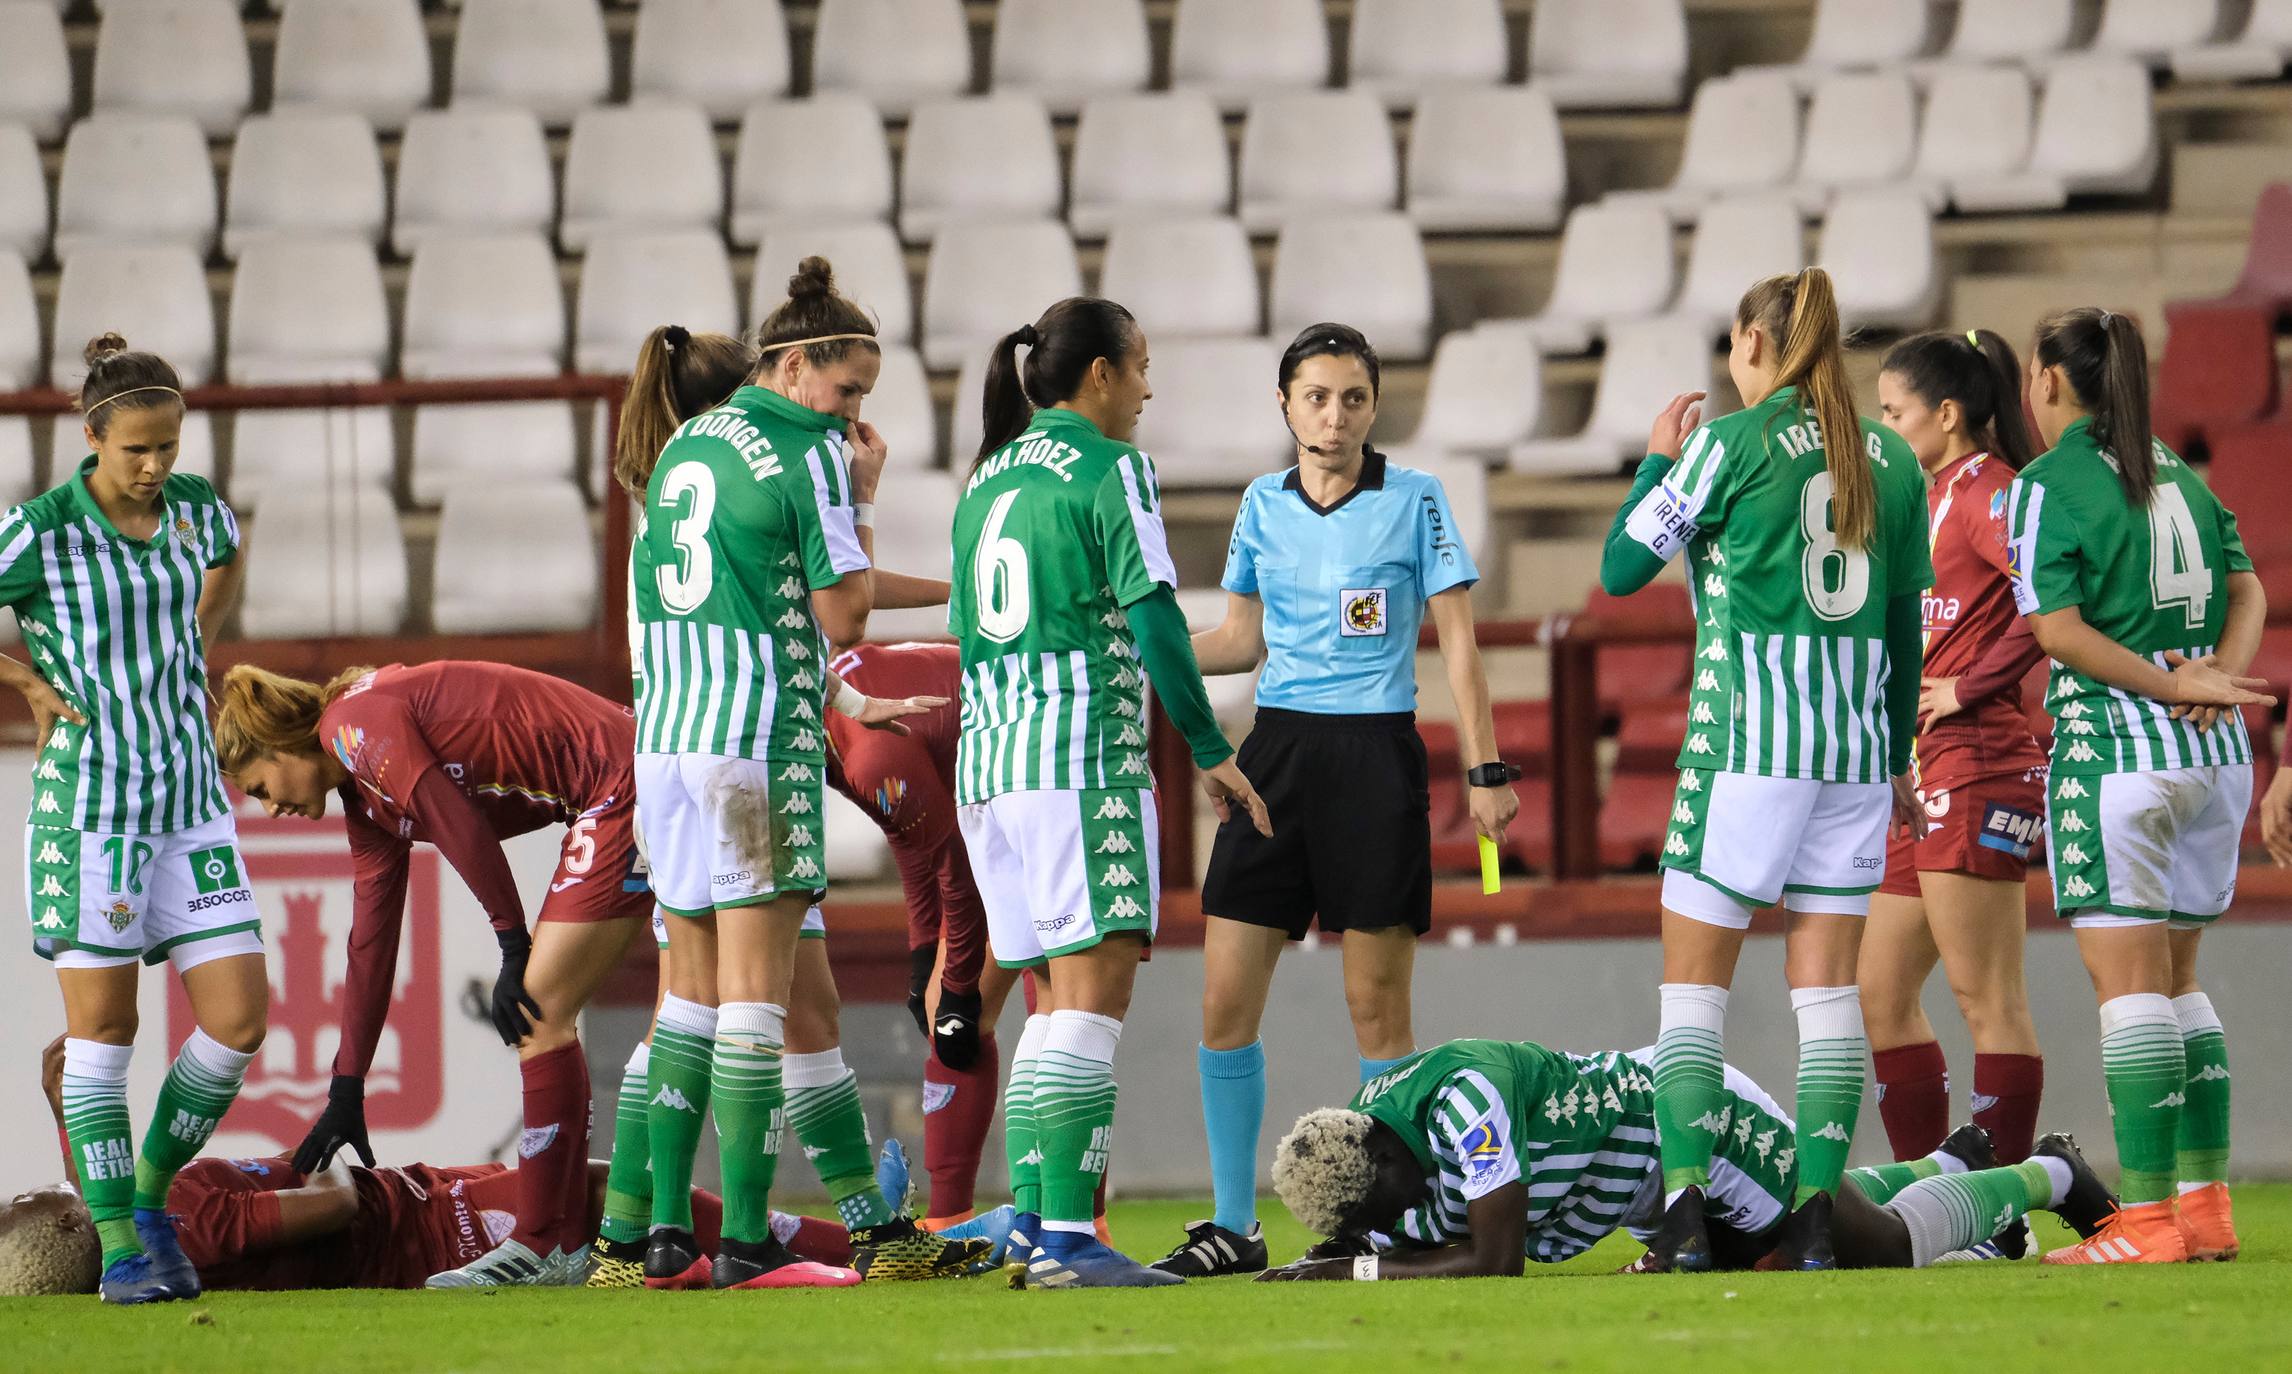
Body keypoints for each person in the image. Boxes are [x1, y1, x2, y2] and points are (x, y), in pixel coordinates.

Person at [629, 259, 984, 1289]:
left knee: (699, 1000)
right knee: (754, 1001)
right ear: (791, 365)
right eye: (847, 389)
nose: (854, 413)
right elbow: (844, 612)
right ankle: (744, 1237)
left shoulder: (688, 441)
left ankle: (662, 1234)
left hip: (671, 746)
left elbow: (754, 588)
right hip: (754, 746)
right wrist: (865, 498)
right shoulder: (812, 455)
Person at [1162, 324, 1519, 1278]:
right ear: (1286, 404)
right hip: (1273, 756)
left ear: (1373, 406)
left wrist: (1485, 772)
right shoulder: (1260, 505)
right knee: (1225, 1000)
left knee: (1377, 1014)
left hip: (1375, 761)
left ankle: (1373, 1227)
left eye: (1352, 397)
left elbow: (1461, 649)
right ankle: (1234, 1227)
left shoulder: (1417, 501)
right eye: (1316, 396)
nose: (1334, 414)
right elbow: (1239, 640)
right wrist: (1140, 644)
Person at [1597, 269, 1932, 1272]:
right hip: (1855, 759)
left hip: (1746, 749)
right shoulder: (1892, 457)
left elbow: (1620, 571)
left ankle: (1690, 1217)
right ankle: (1816, 1220)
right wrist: (1898, 751)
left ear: (1751, 342)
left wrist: (1658, 464)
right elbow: (1905, 627)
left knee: (1694, 995)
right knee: (1827, 993)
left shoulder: (1727, 445)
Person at [950, 295, 1271, 1288]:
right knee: (1093, 994)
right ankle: (1072, 1246)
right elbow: (1155, 616)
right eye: (1139, 367)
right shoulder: (1110, 468)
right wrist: (1210, 745)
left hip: (990, 763)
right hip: (1075, 758)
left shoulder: (986, 476)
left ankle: (1046, 1233)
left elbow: (968, 628)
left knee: (1055, 1003)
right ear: (1098, 375)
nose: (1146, 387)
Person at [215, 659, 683, 1287]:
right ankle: (565, 1243)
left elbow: (453, 818)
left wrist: (512, 945)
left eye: (263, 787)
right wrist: (346, 1088)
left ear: (279, 745)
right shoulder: (365, 800)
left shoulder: (350, 725)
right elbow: (371, 944)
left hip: (620, 782)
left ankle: (545, 1246)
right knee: (552, 1018)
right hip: (621, 779)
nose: (270, 809)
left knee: (539, 1011)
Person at [2005, 307, 2273, 1264]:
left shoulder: (2046, 485)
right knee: (2181, 982)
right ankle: (2205, 1208)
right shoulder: (2173, 471)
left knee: (2128, 996)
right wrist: (2215, 683)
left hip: (2119, 756)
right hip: (2213, 760)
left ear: (2044, 381)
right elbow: (2249, 589)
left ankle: (2149, 1221)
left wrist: (2171, 683)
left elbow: (2057, 632)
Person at [0, 334, 264, 1304]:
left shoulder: (194, 510)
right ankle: (118, 1246)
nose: (155, 469)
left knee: (239, 1020)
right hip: (93, 810)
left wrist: (202, 625)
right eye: (135, 451)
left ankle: (152, 1197)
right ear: (92, 435)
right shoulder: (40, 531)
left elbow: (228, 555)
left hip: (191, 797)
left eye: (168, 448)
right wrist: (23, 677)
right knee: (105, 1033)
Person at [2, 1037, 852, 1294]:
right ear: (79, 1225)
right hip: (430, 1236)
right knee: (593, 1194)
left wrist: (65, 1098)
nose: (45, 1187)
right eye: (45, 1197)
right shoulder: (194, 1225)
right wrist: (323, 1168)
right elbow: (334, 1210)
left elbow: (87, 1184)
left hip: (424, 1196)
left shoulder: (124, 1216)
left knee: (599, 1195)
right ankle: (828, 1251)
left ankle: (812, 1248)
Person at [1253, 1038, 2116, 1280]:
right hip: (1654, 1188)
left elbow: (1495, 1258)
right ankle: (1954, 1162)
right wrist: (1361, 1244)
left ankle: (2053, 1174)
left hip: (1697, 1132)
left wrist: (1362, 1273)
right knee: (1783, 1244)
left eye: (1383, 1209)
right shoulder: (1373, 1138)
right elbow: (1415, 1228)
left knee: (1878, 1248)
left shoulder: (1463, 1103)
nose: (1395, 1223)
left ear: (1382, 1155)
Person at [1860, 330, 2049, 1172]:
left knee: (1986, 998)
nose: (1883, 429)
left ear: (1947, 413)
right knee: (1882, 994)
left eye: (1894, 413)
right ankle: (1927, 1196)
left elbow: (2052, 593)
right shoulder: (1929, 493)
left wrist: (1970, 686)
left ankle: (1999, 1212)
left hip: (1980, 757)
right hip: (1920, 769)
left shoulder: (1990, 490)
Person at [824, 640, 1020, 1230]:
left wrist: (956, 981)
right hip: (1011, 788)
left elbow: (954, 865)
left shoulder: (862, 755)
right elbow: (912, 837)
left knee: (1047, 999)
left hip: (1052, 784)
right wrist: (921, 954)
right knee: (968, 1007)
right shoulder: (834, 721)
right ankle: (957, 1213)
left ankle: (1067, 1225)